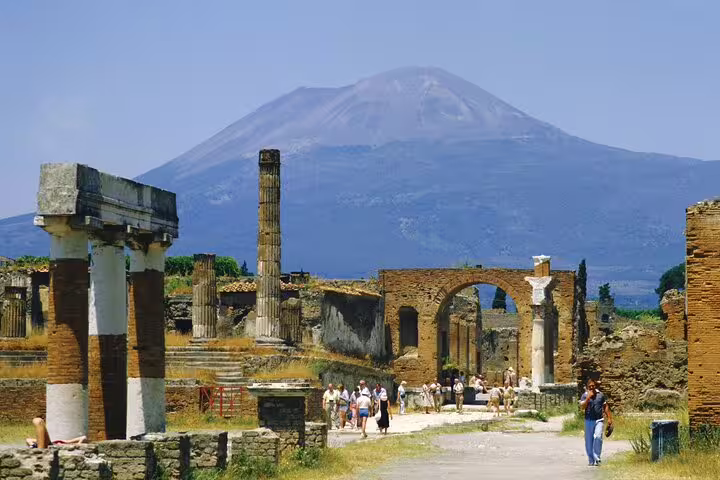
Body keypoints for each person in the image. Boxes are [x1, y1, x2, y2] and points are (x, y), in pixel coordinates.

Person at [579, 379, 613, 467]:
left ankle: (597, 458)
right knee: (589, 441)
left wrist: (609, 418)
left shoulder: (600, 395)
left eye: (593, 385)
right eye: (589, 386)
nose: (591, 387)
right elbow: (582, 407)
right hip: (588, 421)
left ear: (595, 386)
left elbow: (605, 406)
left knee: (598, 437)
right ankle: (591, 459)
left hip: (599, 420)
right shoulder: (584, 395)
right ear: (587, 387)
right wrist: (588, 398)